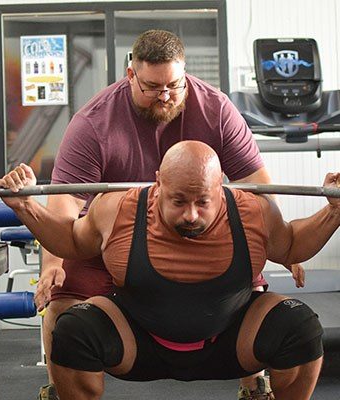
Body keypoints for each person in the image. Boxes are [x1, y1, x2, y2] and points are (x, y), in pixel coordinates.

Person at [0, 141, 340, 400]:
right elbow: (71, 243)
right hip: (138, 341)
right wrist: (25, 207)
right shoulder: (118, 209)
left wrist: (335, 211)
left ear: (220, 188)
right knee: (73, 331)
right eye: (178, 201)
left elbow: (291, 245)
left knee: (299, 326)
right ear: (158, 183)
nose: (191, 214)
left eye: (202, 201)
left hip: (229, 341)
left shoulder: (252, 211)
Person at [37, 30, 273, 400]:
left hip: (197, 230)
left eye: (174, 85)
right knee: (63, 298)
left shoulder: (217, 109)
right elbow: (65, 203)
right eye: (151, 87)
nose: (165, 96)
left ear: (185, 73)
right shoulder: (93, 124)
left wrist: (282, 243)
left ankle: (255, 386)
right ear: (131, 74)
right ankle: (62, 387)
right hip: (112, 237)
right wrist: (52, 263)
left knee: (251, 282)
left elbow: (256, 188)